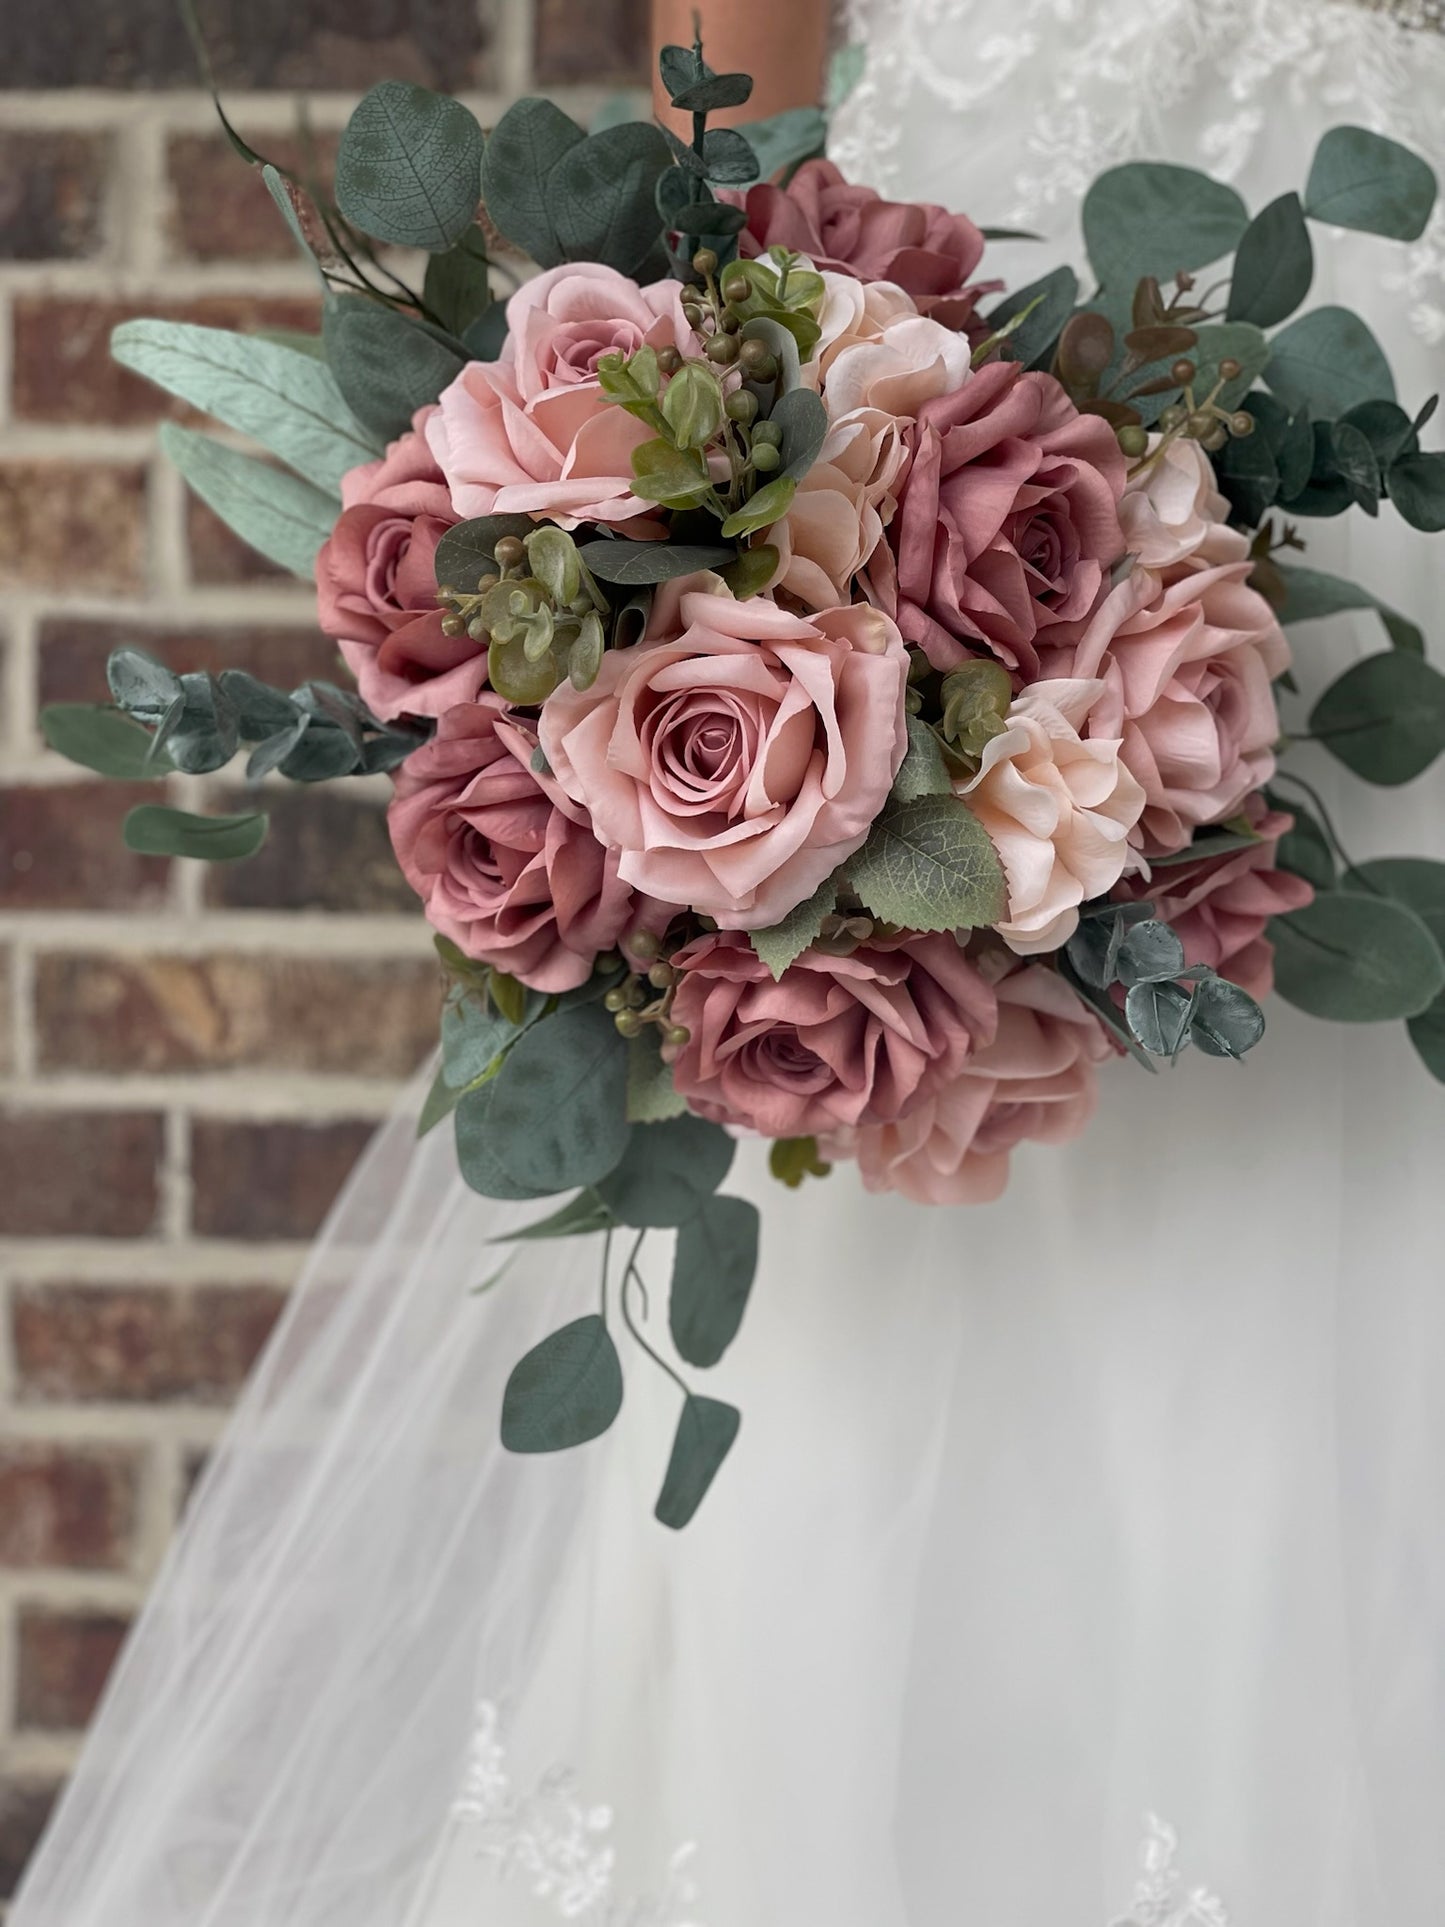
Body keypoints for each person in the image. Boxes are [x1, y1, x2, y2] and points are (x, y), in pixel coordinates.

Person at [12, 1, 1445, 1922]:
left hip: (1358, 416)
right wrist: (692, 571)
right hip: (951, 322)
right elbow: (731, 116)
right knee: (874, 1383)